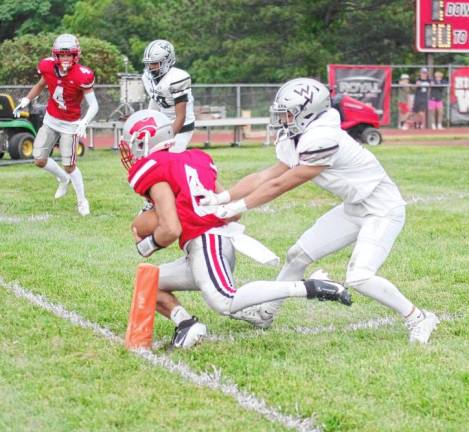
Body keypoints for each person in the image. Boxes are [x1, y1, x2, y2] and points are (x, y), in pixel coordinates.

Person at [200, 78, 439, 344]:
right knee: (297, 255)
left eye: (288, 113)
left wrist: (237, 207)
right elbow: (266, 175)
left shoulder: (322, 137)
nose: (283, 119)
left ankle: (419, 317)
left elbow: (283, 183)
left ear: (309, 112)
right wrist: (222, 197)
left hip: (381, 209)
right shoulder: (301, 134)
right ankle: (266, 313)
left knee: (359, 277)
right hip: (354, 207)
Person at [119, 109, 352, 349]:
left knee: (225, 302)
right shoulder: (197, 158)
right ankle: (187, 324)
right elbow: (233, 210)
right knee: (149, 282)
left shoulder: (153, 167)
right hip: (214, 244)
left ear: (144, 139)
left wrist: (147, 244)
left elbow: (170, 228)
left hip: (207, 243)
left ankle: (309, 287)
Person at [13, 34, 98, 216]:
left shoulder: (82, 74)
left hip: (70, 123)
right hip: (51, 119)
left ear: (76, 56)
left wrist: (84, 122)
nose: (65, 58)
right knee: (39, 159)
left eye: (69, 55)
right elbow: (41, 84)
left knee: (69, 165)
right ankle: (62, 179)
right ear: (56, 55)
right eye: (62, 55)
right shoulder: (48, 67)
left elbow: (94, 105)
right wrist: (26, 100)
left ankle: (82, 201)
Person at [141, 40, 195, 152]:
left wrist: (167, 138)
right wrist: (146, 122)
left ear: (167, 61)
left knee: (172, 157)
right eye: (149, 63)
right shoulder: (147, 78)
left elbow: (181, 117)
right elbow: (155, 100)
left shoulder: (177, 78)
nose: (151, 67)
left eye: (155, 63)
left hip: (182, 126)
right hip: (163, 124)